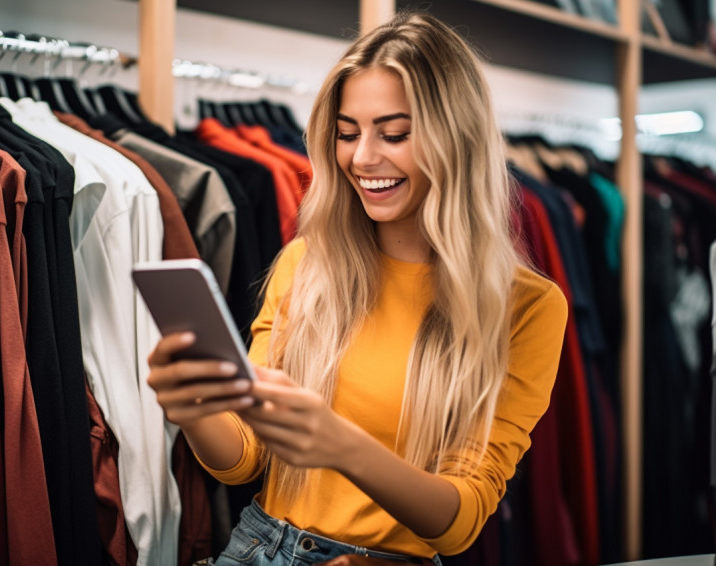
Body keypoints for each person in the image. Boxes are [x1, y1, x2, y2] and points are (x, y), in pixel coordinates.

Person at [147, 10, 567, 565]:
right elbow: (244, 458)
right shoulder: (308, 264)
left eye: (394, 134)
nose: (363, 157)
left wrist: (340, 445)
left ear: (456, 139)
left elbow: (460, 520)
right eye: (347, 134)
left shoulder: (525, 307)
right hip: (256, 545)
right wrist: (192, 407)